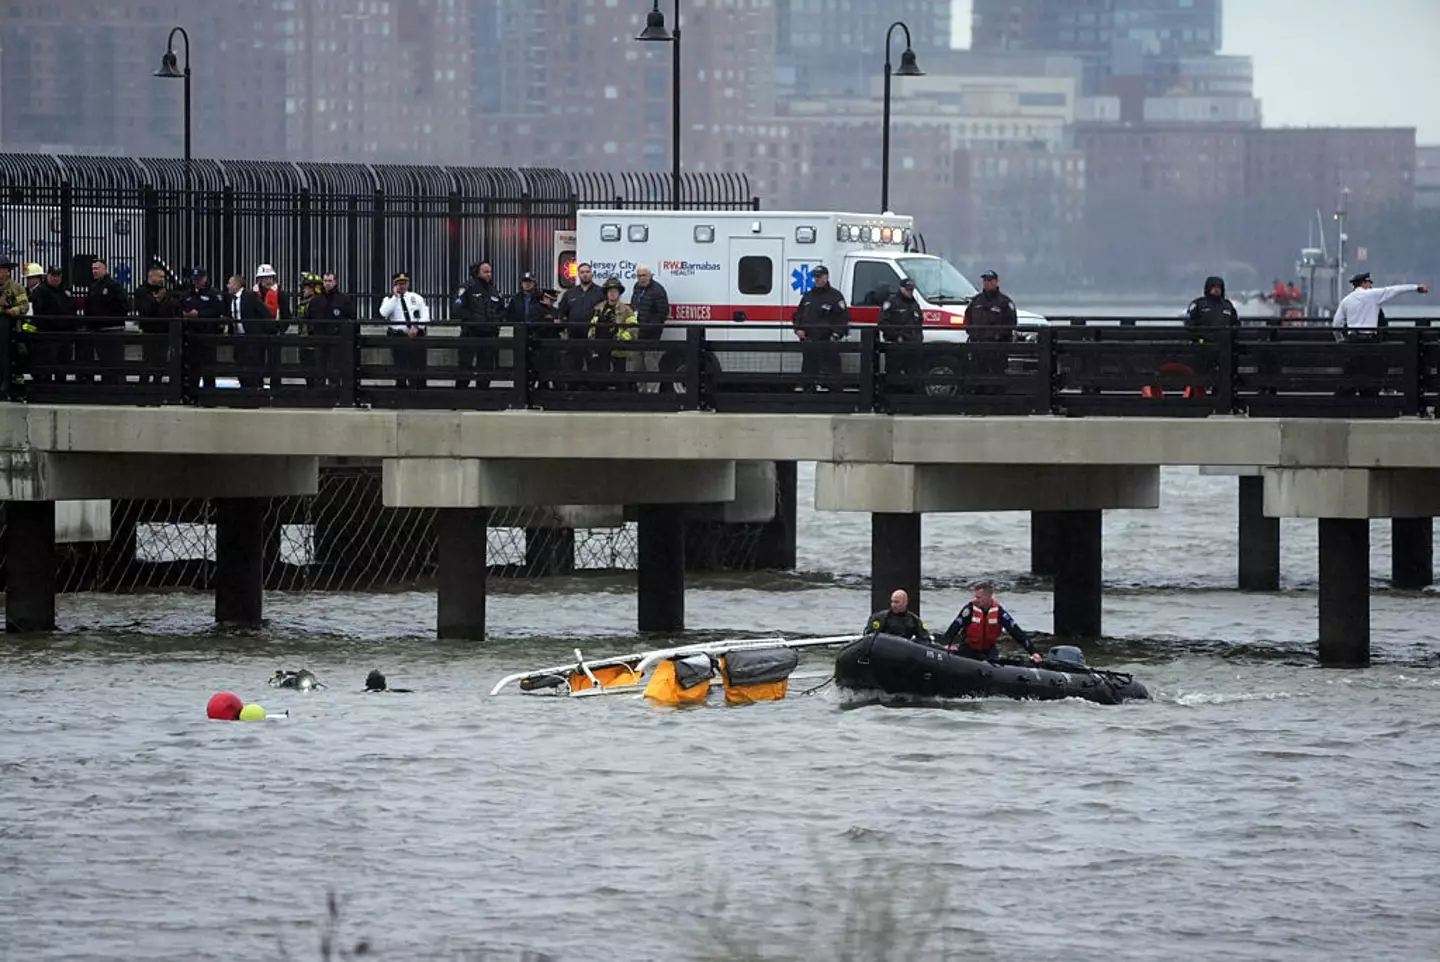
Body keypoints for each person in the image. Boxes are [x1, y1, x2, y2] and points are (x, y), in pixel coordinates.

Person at [1332, 272, 1428, 397]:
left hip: (1353, 342)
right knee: (1374, 371)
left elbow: (1336, 324)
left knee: (1352, 371)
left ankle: (1344, 399)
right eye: (1370, 283)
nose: (1371, 286)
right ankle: (1370, 397)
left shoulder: (1346, 300)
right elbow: (1394, 290)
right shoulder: (1373, 295)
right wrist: (1416, 287)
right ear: (1365, 283)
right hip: (1370, 341)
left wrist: (1340, 341)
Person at [940, 581, 1040, 662]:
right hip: (969, 650)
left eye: (979, 597)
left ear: (988, 597)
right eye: (975, 597)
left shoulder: (999, 612)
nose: (976, 600)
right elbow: (955, 627)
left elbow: (1016, 632)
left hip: (989, 651)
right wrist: (944, 645)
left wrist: (1033, 652)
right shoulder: (970, 609)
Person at [792, 264, 849, 391]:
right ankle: (808, 398)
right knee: (809, 371)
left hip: (827, 341)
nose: (816, 279)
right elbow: (798, 315)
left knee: (832, 372)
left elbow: (842, 318)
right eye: (815, 277)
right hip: (809, 341)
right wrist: (798, 329)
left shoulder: (835, 296)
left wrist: (835, 335)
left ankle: (836, 399)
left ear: (826, 277)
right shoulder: (808, 296)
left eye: (819, 277)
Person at [454, 260, 506, 389]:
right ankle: (461, 394)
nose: (489, 274)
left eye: (490, 272)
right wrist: (473, 321)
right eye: (486, 272)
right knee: (465, 364)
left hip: (489, 334)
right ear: (477, 273)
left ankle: (483, 393)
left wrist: (497, 322)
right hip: (470, 333)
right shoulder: (467, 288)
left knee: (486, 365)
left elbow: (501, 309)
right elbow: (458, 308)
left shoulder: (494, 290)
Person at [962, 270, 1017, 392]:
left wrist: (999, 337)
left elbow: (1011, 323)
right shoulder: (976, 301)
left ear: (996, 282)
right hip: (978, 346)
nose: (987, 283)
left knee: (997, 377)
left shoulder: (1004, 302)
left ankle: (997, 401)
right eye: (985, 281)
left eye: (990, 281)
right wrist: (972, 333)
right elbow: (967, 319)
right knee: (978, 376)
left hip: (997, 347)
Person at [380, 271, 430, 390]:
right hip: (399, 336)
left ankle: (418, 390)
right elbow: (383, 313)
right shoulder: (388, 299)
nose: (402, 286)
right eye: (399, 283)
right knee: (400, 365)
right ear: (395, 285)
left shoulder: (416, 298)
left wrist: (417, 327)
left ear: (408, 284)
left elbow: (425, 316)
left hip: (416, 335)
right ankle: (400, 390)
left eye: (404, 283)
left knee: (418, 365)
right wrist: (395, 298)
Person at [588, 276, 636, 387]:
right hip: (601, 348)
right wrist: (591, 338)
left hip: (618, 350)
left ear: (619, 293)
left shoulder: (626, 310)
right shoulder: (599, 308)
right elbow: (592, 325)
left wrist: (621, 338)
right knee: (601, 376)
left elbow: (633, 328)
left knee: (619, 377)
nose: (612, 294)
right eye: (610, 291)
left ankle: (620, 399)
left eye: (615, 291)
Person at [629, 264, 670, 393]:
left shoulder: (658, 291)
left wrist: (649, 327)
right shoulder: (637, 288)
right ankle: (641, 392)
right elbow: (633, 306)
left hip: (651, 335)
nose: (642, 278)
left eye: (644, 275)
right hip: (636, 333)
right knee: (638, 365)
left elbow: (662, 313)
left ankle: (653, 392)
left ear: (650, 276)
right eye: (639, 276)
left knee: (651, 364)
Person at [879, 276, 923, 388]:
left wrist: (918, 338)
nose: (910, 292)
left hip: (912, 345)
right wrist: (896, 336)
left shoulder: (914, 304)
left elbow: (919, 322)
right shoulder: (892, 302)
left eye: (912, 289)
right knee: (893, 376)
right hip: (896, 346)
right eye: (908, 289)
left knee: (913, 376)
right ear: (901, 288)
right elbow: (883, 323)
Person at [862, 589, 930, 643]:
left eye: (897, 602)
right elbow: (869, 637)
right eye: (892, 602)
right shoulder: (880, 617)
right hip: (883, 649)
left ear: (905, 602)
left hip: (904, 650)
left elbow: (925, 639)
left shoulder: (914, 620)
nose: (893, 605)